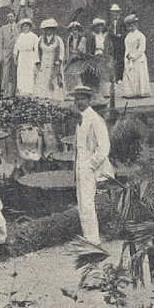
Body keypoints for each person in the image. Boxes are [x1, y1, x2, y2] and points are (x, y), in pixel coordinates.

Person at [70, 85, 112, 245]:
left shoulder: (95, 119)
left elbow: (104, 147)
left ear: (89, 100)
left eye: (82, 99)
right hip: (79, 165)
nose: (78, 102)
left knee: (87, 202)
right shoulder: (80, 119)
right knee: (81, 202)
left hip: (89, 167)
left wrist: (90, 165)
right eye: (76, 99)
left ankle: (93, 239)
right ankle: (87, 235)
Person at [121, 14, 151, 98]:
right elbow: (127, 47)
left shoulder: (141, 36)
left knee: (139, 74)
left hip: (138, 58)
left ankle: (140, 92)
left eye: (132, 25)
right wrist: (127, 56)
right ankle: (131, 92)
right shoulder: (128, 36)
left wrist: (134, 56)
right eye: (129, 25)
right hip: (129, 58)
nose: (131, 27)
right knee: (130, 74)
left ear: (136, 25)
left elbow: (142, 48)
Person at [36, 18, 66, 100]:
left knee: (54, 77)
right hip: (44, 61)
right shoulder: (40, 39)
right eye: (47, 29)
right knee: (43, 77)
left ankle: (55, 96)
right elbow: (37, 51)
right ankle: (44, 95)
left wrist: (58, 61)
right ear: (44, 30)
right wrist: (38, 62)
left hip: (54, 61)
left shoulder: (58, 39)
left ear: (53, 30)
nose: (49, 31)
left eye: (51, 29)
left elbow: (61, 52)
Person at [14, 18, 40, 95]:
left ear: (30, 27)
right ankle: (21, 89)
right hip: (22, 56)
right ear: (21, 27)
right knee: (21, 72)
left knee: (29, 72)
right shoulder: (20, 36)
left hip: (30, 56)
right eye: (24, 26)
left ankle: (30, 90)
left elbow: (36, 49)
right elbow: (16, 48)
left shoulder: (34, 36)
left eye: (27, 26)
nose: (25, 28)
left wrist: (36, 60)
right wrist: (15, 57)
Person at [0, 12, 19, 95]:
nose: (10, 18)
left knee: (16, 69)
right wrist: (0, 54)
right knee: (5, 70)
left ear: (14, 17)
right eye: (8, 17)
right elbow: (0, 41)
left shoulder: (19, 27)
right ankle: (4, 89)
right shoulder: (3, 28)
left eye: (11, 16)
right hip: (6, 50)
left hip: (16, 51)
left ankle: (16, 89)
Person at [107, 4, 126, 82]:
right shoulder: (111, 22)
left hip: (121, 44)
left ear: (119, 13)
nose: (114, 14)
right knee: (114, 60)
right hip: (113, 44)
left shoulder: (122, 21)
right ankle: (114, 77)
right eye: (113, 12)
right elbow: (109, 33)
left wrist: (121, 35)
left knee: (121, 60)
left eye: (116, 12)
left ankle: (120, 78)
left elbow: (126, 32)